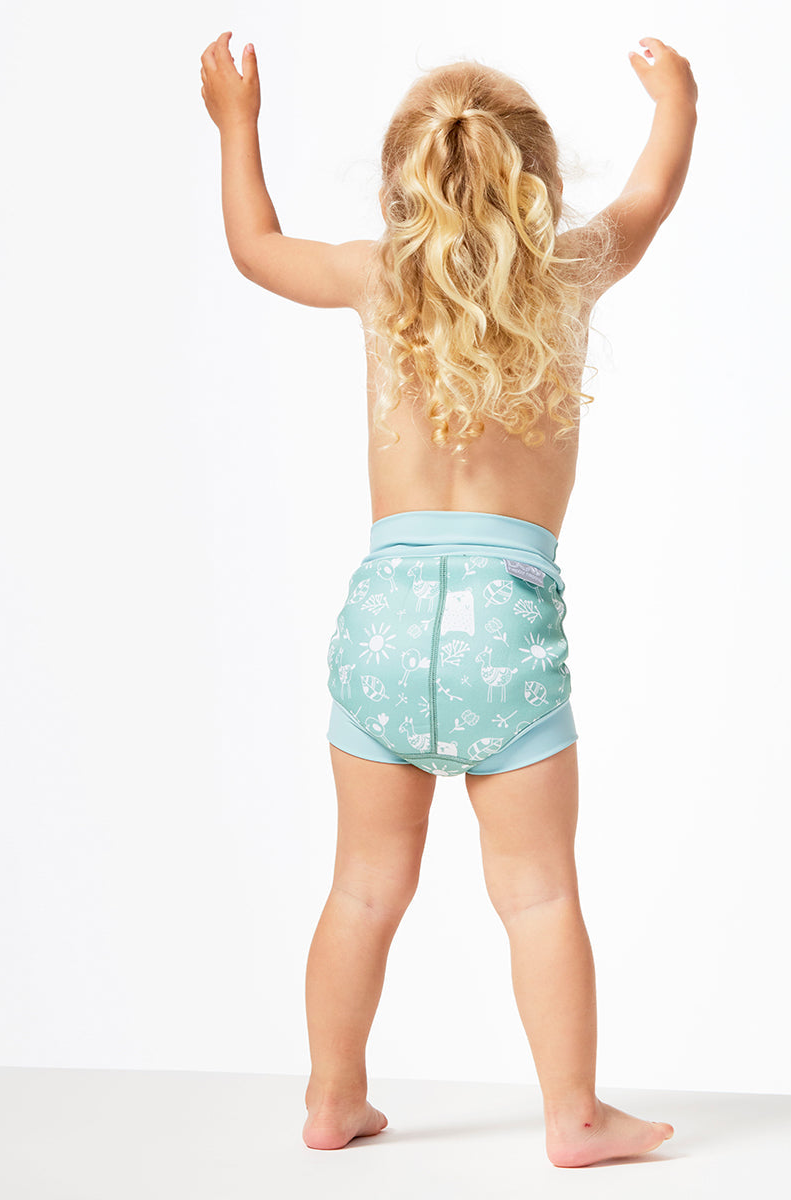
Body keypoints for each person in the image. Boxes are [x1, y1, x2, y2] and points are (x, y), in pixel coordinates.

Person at [200, 32, 698, 1169]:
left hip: (382, 619)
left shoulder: (378, 280)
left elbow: (255, 247)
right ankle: (573, 1117)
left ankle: (333, 1100)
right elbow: (653, 193)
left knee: (363, 888)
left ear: (402, 185)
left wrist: (237, 124)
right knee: (537, 894)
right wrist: (679, 101)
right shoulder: (570, 273)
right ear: (539, 182)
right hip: (503, 629)